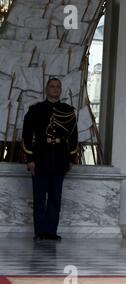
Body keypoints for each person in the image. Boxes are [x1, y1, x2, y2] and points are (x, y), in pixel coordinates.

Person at [22, 78, 78, 241]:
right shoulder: (35, 110)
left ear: (61, 90)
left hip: (59, 159)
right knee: (39, 198)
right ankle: (40, 232)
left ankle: (51, 232)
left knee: (55, 198)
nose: (55, 89)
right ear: (46, 89)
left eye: (58, 87)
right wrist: (30, 159)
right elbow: (27, 136)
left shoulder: (68, 111)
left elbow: (73, 136)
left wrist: (71, 158)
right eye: (52, 86)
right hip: (40, 158)